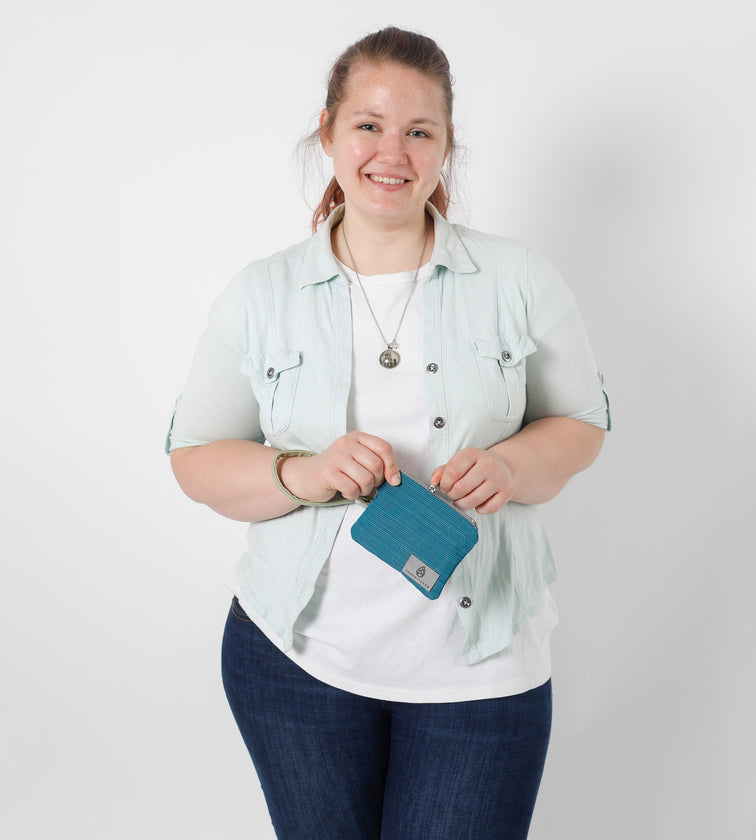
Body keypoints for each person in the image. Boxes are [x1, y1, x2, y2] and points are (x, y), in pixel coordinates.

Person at [167, 26, 610, 840]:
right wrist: (302, 472)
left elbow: (580, 425)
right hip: (294, 664)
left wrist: (511, 465)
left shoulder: (520, 280)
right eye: (368, 124)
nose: (391, 151)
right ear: (328, 132)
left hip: (483, 674)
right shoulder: (260, 295)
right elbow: (194, 458)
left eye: (419, 130)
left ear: (447, 148)